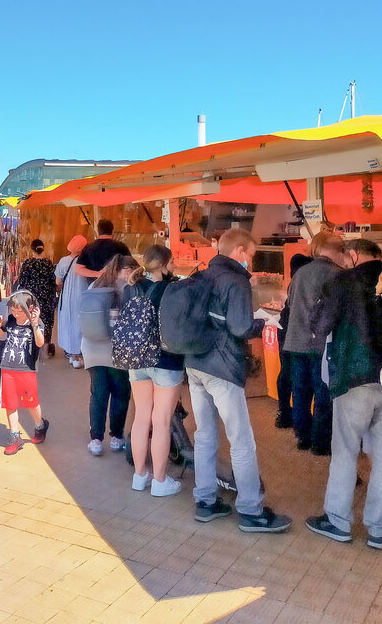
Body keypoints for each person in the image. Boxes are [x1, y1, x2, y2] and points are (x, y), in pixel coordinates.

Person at [185, 228, 291, 533]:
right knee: (241, 440)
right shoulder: (236, 281)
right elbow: (241, 326)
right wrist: (265, 322)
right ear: (240, 252)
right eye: (252, 254)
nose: (252, 260)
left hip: (195, 364)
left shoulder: (202, 274)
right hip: (222, 367)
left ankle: (205, 501)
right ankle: (250, 510)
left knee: (205, 435)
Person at [306, 239, 382, 549]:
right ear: (380, 257)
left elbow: (319, 326)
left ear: (352, 255)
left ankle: (337, 522)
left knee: (345, 451)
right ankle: (380, 530)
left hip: (354, 379)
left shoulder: (343, 282)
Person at [125, 245, 186, 496]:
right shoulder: (171, 290)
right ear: (163, 264)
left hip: (136, 359)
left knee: (141, 418)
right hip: (165, 360)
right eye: (172, 263)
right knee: (161, 422)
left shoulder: (132, 287)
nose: (174, 267)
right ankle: (160, 481)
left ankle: (140, 476)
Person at [283, 234, 346, 454]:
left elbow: (290, 302)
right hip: (321, 344)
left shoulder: (300, 273)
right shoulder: (337, 275)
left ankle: (302, 436)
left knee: (300, 390)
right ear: (337, 252)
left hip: (296, 341)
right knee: (323, 392)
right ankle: (321, 442)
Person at [82, 254, 138, 456]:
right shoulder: (127, 289)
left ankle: (96, 440)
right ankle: (116, 437)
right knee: (120, 394)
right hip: (117, 351)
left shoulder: (95, 285)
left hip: (91, 348)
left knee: (98, 394)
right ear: (127, 270)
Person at [0, 291, 49, 455]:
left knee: (31, 402)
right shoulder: (9, 321)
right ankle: (15, 437)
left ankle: (40, 425)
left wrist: (35, 324)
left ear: (30, 309)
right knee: (10, 403)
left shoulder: (35, 323)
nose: (16, 314)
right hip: (7, 368)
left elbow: (40, 342)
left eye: (20, 311)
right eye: (13, 311)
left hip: (26, 370)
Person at [274, 244, 316, 429]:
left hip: (285, 328)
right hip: (297, 331)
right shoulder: (304, 280)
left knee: (287, 373)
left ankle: (284, 413)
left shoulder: (295, 281)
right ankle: (295, 417)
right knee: (298, 377)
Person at [15, 239, 57, 357]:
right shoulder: (49, 264)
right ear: (43, 249)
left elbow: (22, 282)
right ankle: (46, 348)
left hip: (31, 299)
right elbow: (54, 282)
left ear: (32, 250)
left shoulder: (27, 263)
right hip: (47, 299)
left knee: (31, 321)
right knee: (47, 323)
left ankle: (32, 348)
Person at [55, 235, 88, 368]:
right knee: (81, 326)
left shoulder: (63, 261)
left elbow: (58, 281)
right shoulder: (86, 261)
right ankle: (78, 357)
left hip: (67, 297)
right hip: (83, 295)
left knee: (69, 324)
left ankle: (73, 356)